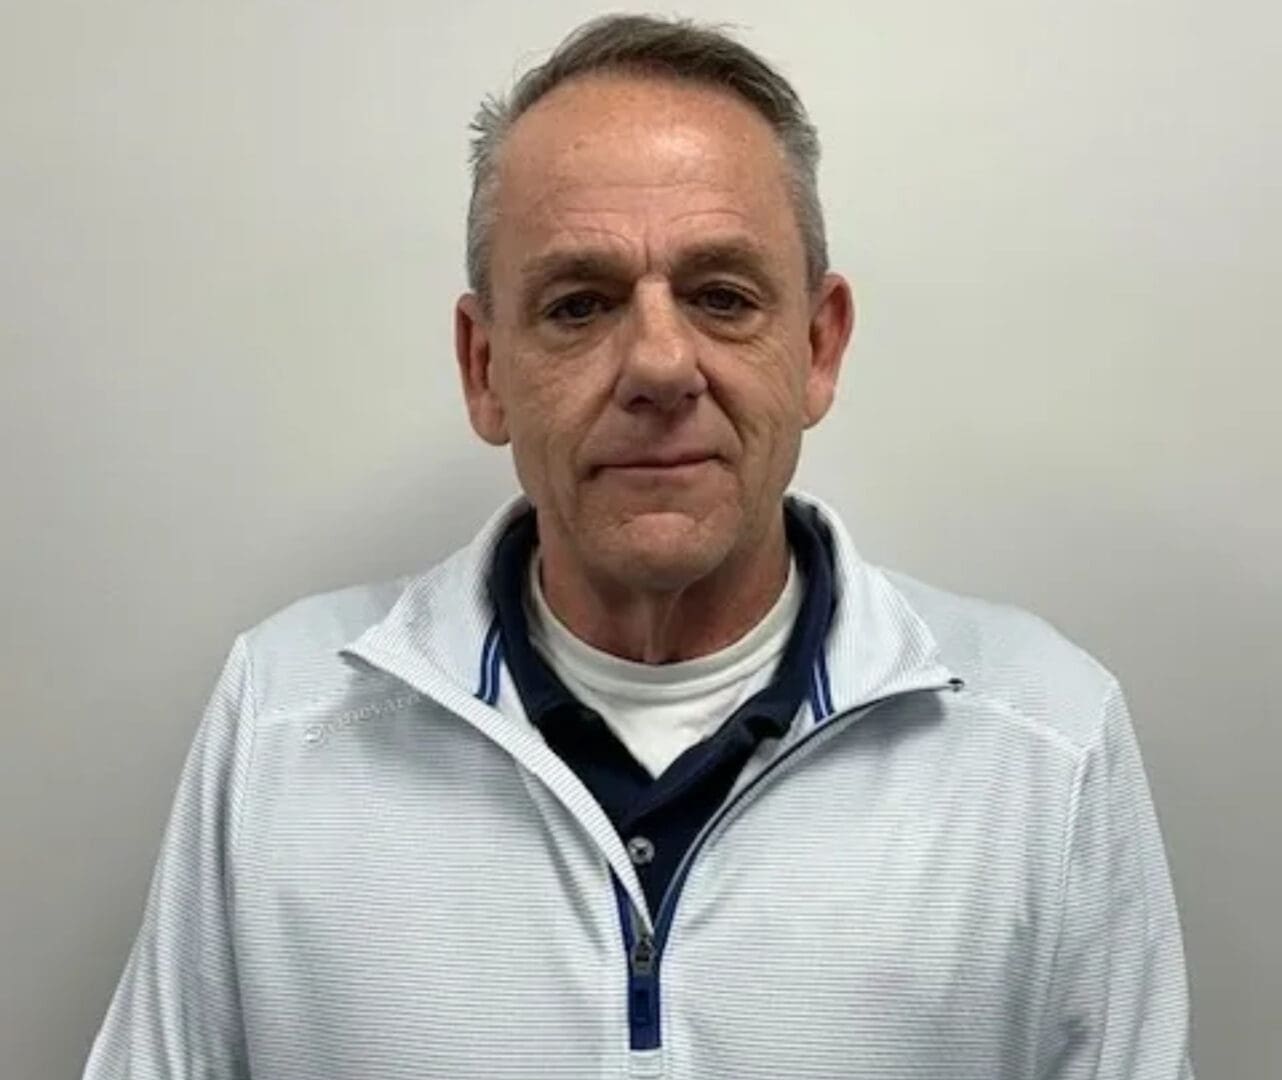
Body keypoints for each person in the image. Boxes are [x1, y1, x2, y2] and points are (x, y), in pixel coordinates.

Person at [83, 14, 1194, 1079]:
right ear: (484, 369)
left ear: (817, 346)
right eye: (579, 304)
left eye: (721, 296)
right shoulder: (283, 726)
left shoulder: (1042, 743)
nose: (661, 366)